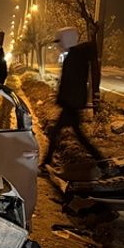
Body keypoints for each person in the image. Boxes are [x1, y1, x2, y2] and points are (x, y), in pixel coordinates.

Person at [42, 26, 104, 168]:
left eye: (60, 41)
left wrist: (63, 99)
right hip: (72, 103)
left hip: (70, 104)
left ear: (66, 40)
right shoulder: (75, 56)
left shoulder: (73, 58)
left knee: (57, 133)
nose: (59, 45)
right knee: (77, 135)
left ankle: (46, 163)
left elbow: (71, 83)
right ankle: (100, 160)